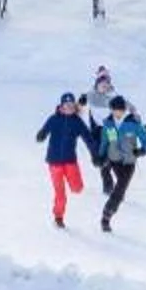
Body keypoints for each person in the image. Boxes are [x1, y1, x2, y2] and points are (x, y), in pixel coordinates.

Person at [36, 90, 99, 228]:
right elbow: (45, 130)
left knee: (77, 188)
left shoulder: (77, 122)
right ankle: (58, 217)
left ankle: (76, 186)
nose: (69, 107)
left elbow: (88, 139)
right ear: (62, 106)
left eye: (71, 105)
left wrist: (95, 155)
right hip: (54, 162)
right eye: (66, 105)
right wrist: (41, 134)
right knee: (60, 192)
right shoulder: (54, 119)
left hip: (70, 161)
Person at [94, 95, 146, 232]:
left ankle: (106, 216)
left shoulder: (133, 124)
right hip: (114, 160)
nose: (118, 113)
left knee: (120, 188)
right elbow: (104, 142)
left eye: (120, 110)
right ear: (111, 110)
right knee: (120, 190)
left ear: (124, 110)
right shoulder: (108, 124)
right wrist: (100, 156)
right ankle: (111, 208)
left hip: (129, 162)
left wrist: (142, 151)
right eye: (115, 110)